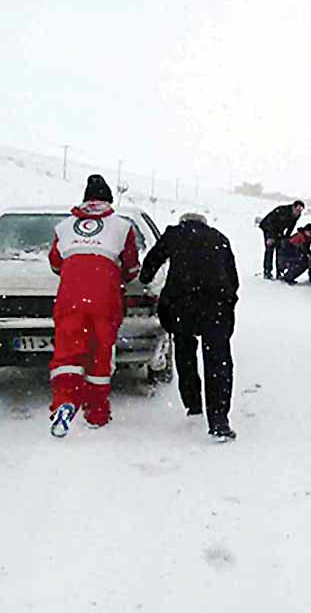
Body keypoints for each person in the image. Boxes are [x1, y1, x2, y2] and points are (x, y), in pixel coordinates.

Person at [46, 175, 140, 437]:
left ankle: (65, 401)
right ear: (109, 200)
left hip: (70, 296)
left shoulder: (64, 226)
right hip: (105, 298)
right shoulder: (122, 226)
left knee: (67, 352)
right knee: (100, 352)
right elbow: (131, 267)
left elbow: (55, 263)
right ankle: (97, 412)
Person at [140, 212, 239, 441]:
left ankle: (193, 405)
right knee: (218, 361)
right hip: (215, 306)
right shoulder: (219, 239)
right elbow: (232, 279)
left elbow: (152, 261)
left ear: (183, 222)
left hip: (181, 305)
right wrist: (228, 300)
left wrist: (145, 278)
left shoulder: (175, 235)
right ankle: (219, 422)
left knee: (185, 352)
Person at [258, 199, 304, 279]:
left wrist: (287, 238)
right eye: (297, 210)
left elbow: (291, 226)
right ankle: (267, 271)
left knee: (280, 249)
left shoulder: (297, 215)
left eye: (300, 211)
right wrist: (270, 237)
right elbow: (271, 223)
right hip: (268, 227)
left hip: (279, 230)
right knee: (270, 248)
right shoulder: (282, 211)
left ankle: (279, 271)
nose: (298, 212)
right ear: (293, 207)